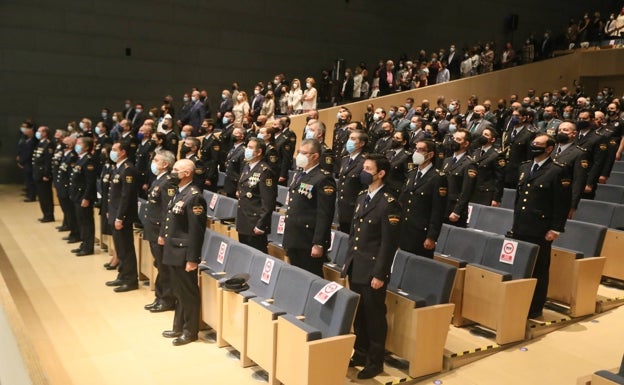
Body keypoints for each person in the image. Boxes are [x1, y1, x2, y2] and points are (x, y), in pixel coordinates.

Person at [342, 153, 401, 380]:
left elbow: (389, 244)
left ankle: (375, 361)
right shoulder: (361, 197)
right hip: (357, 265)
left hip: (373, 270)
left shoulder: (389, 203)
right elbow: (354, 235)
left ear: (380, 173)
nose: (362, 172)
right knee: (359, 314)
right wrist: (348, 263)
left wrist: (381, 274)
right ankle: (361, 351)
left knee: (375, 317)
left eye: (368, 168)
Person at [511, 133, 571, 319]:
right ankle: (519, 303)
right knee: (521, 266)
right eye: (533, 143)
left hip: (541, 228)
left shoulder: (558, 170)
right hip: (521, 225)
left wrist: (556, 228)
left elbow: (562, 203)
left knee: (539, 268)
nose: (534, 146)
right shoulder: (525, 166)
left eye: (538, 144)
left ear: (549, 149)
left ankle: (535, 308)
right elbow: (519, 199)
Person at [160, 159, 207, 346]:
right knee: (178, 291)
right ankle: (178, 326)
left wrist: (193, 259)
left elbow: (196, 231)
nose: (172, 173)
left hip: (184, 253)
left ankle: (190, 331)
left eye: (176, 170)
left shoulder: (194, 196)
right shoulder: (180, 192)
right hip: (173, 250)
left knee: (188, 293)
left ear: (187, 173)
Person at [282, 139, 336, 277]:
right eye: (299, 152)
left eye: (304, 153)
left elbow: (325, 214)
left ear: (315, 156)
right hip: (294, 236)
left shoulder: (323, 178)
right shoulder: (299, 174)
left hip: (308, 239)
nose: (299, 155)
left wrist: (318, 243)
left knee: (311, 277)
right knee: (297, 276)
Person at [399, 140, 447, 258]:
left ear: (430, 155)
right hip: (405, 229)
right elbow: (403, 200)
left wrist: (432, 237)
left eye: (420, 150)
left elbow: (438, 210)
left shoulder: (438, 177)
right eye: (416, 149)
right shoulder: (411, 173)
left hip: (421, 232)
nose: (416, 152)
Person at [143, 150, 177, 313]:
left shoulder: (168, 182)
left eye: (156, 160)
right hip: (152, 229)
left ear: (165, 164)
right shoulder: (158, 180)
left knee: (164, 267)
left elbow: (167, 212)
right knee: (159, 265)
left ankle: (167, 299)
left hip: (159, 232)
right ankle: (160, 296)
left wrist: (163, 234)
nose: (153, 162)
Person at [105, 141, 139, 292]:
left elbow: (126, 196)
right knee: (120, 248)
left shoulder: (128, 169)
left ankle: (130, 280)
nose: (111, 152)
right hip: (115, 212)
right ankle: (122, 274)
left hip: (122, 216)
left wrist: (120, 217)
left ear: (123, 152)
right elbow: (114, 194)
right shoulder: (118, 168)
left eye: (114, 149)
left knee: (126, 248)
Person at [235, 138, 277, 253]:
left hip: (255, 223)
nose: (246, 150)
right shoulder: (247, 166)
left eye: (250, 147)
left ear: (259, 152)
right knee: (245, 255)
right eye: (247, 146)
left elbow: (268, 202)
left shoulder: (265, 171)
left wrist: (261, 225)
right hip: (244, 220)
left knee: (257, 256)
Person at [442, 130, 478, 227]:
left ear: (466, 143)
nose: (454, 141)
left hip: (454, 211)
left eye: (458, 139)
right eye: (454, 138)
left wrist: (457, 211)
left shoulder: (469, 164)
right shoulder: (447, 160)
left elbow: (466, 191)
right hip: (442, 207)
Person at [69, 136, 97, 256]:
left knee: (86, 222)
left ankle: (88, 247)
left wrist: (86, 198)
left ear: (86, 147)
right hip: (77, 195)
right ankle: (83, 243)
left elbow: (90, 182)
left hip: (83, 197)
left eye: (79, 143)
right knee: (81, 221)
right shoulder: (81, 159)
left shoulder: (89, 160)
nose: (77, 145)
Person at [337, 131, 367, 232]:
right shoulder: (345, 159)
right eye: (349, 138)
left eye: (353, 139)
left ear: (362, 143)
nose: (349, 141)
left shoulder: (365, 162)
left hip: (355, 208)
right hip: (342, 207)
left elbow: (365, 187)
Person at [469, 128, 506, 206]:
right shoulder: (476, 152)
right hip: (472, 190)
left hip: (486, 193)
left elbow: (499, 178)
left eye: (486, 135)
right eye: (483, 134)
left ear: (492, 140)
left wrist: (496, 198)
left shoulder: (496, 155)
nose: (483, 136)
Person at [55, 135, 79, 243]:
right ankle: (72, 231)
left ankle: (75, 234)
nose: (63, 144)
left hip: (67, 188)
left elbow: (71, 176)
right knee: (67, 212)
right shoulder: (65, 154)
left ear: (71, 144)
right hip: (62, 188)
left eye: (65, 142)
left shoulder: (73, 156)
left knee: (71, 213)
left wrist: (69, 190)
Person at [32, 126, 55, 222]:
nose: (37, 133)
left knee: (46, 196)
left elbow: (48, 161)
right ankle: (45, 214)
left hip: (43, 175)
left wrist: (46, 174)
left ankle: (49, 215)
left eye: (39, 131)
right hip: (38, 173)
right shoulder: (40, 144)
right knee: (41, 196)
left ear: (45, 133)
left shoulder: (48, 144)